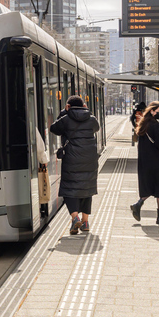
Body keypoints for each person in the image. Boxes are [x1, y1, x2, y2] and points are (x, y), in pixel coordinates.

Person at [50, 95, 100, 235]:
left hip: (71, 160)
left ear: (68, 106)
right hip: (90, 161)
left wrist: (64, 113)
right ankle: (85, 222)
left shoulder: (65, 119)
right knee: (86, 189)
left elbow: (53, 128)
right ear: (84, 105)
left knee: (68, 189)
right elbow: (96, 128)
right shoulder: (92, 119)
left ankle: (75, 217)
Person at [131, 101, 159, 225]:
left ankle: (139, 204)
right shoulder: (155, 125)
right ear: (151, 111)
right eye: (158, 111)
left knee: (149, 185)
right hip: (156, 160)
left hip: (145, 160)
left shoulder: (144, 123)